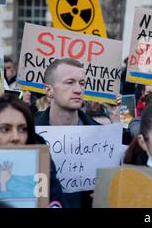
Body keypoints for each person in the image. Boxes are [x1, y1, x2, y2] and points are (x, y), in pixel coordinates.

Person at [0, 94, 64, 208]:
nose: (16, 137)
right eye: (5, 129)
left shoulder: (42, 160)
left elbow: (54, 199)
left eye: (22, 129)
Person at [34, 58, 101, 208]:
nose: (78, 89)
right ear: (49, 90)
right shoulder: (28, 134)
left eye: (82, 83)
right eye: (69, 82)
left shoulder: (101, 135)